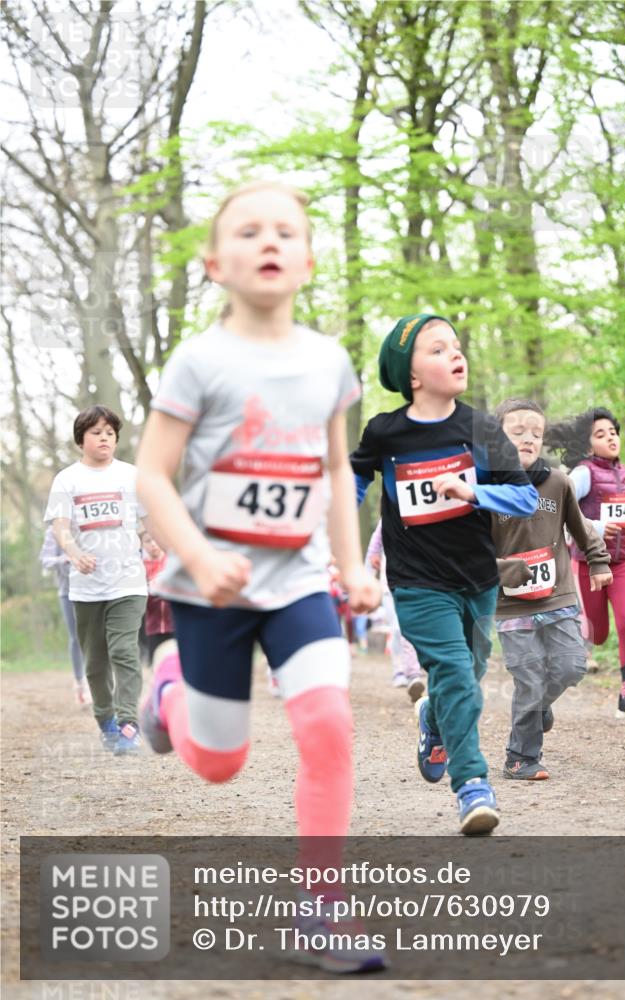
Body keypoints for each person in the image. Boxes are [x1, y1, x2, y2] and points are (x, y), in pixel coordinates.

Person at [135, 181, 385, 973]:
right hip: (211, 589)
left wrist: (350, 565)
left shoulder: (327, 362)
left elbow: (337, 473)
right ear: (214, 264)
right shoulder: (199, 361)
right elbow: (150, 473)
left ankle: (323, 914)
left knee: (327, 726)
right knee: (217, 765)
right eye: (247, 231)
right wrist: (201, 559)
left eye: (285, 231)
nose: (268, 241)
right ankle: (167, 687)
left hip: (301, 583)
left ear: (308, 259)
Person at [350, 313, 538, 835]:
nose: (456, 354)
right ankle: (472, 784)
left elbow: (524, 497)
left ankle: (434, 715)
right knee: (458, 675)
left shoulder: (480, 428)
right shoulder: (386, 432)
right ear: (411, 376)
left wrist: (473, 490)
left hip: (477, 580)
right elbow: (353, 478)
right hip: (415, 582)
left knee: (467, 679)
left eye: (457, 345)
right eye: (438, 349)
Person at [492, 399, 613, 779]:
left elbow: (581, 527)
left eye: (536, 433)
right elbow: (471, 551)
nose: (528, 438)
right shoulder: (485, 489)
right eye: (518, 431)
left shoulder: (557, 483)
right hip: (511, 603)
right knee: (528, 677)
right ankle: (520, 757)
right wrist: (506, 570)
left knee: (570, 666)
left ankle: (538, 706)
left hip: (557, 596)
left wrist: (598, 560)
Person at [44, 405, 150, 755]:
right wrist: (75, 554)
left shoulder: (132, 475)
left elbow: (149, 520)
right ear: (81, 439)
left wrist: (157, 544)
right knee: (95, 663)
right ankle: (105, 719)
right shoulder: (67, 479)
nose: (104, 438)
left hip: (128, 581)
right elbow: (60, 527)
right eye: (96, 432)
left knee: (124, 650)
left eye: (109, 432)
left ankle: (128, 722)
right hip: (86, 587)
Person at [547, 407, 625, 719]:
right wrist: (599, 529)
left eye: (613, 432)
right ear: (589, 445)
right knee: (597, 633)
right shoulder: (582, 474)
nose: (611, 438)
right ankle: (550, 672)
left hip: (622, 563)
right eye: (601, 434)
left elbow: (615, 512)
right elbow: (564, 512)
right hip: (589, 564)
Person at [365, 518, 425, 702]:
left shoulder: (423, 517)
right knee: (399, 629)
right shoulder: (389, 516)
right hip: (389, 586)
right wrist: (366, 580)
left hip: (418, 582)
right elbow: (374, 547)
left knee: (414, 630)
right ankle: (406, 672)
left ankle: (412, 671)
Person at [39, 524, 90, 707]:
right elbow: (45, 560)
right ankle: (79, 684)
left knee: (94, 636)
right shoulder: (54, 531)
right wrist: (64, 559)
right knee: (76, 638)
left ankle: (93, 683)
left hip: (93, 589)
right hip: (67, 591)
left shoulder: (87, 526)